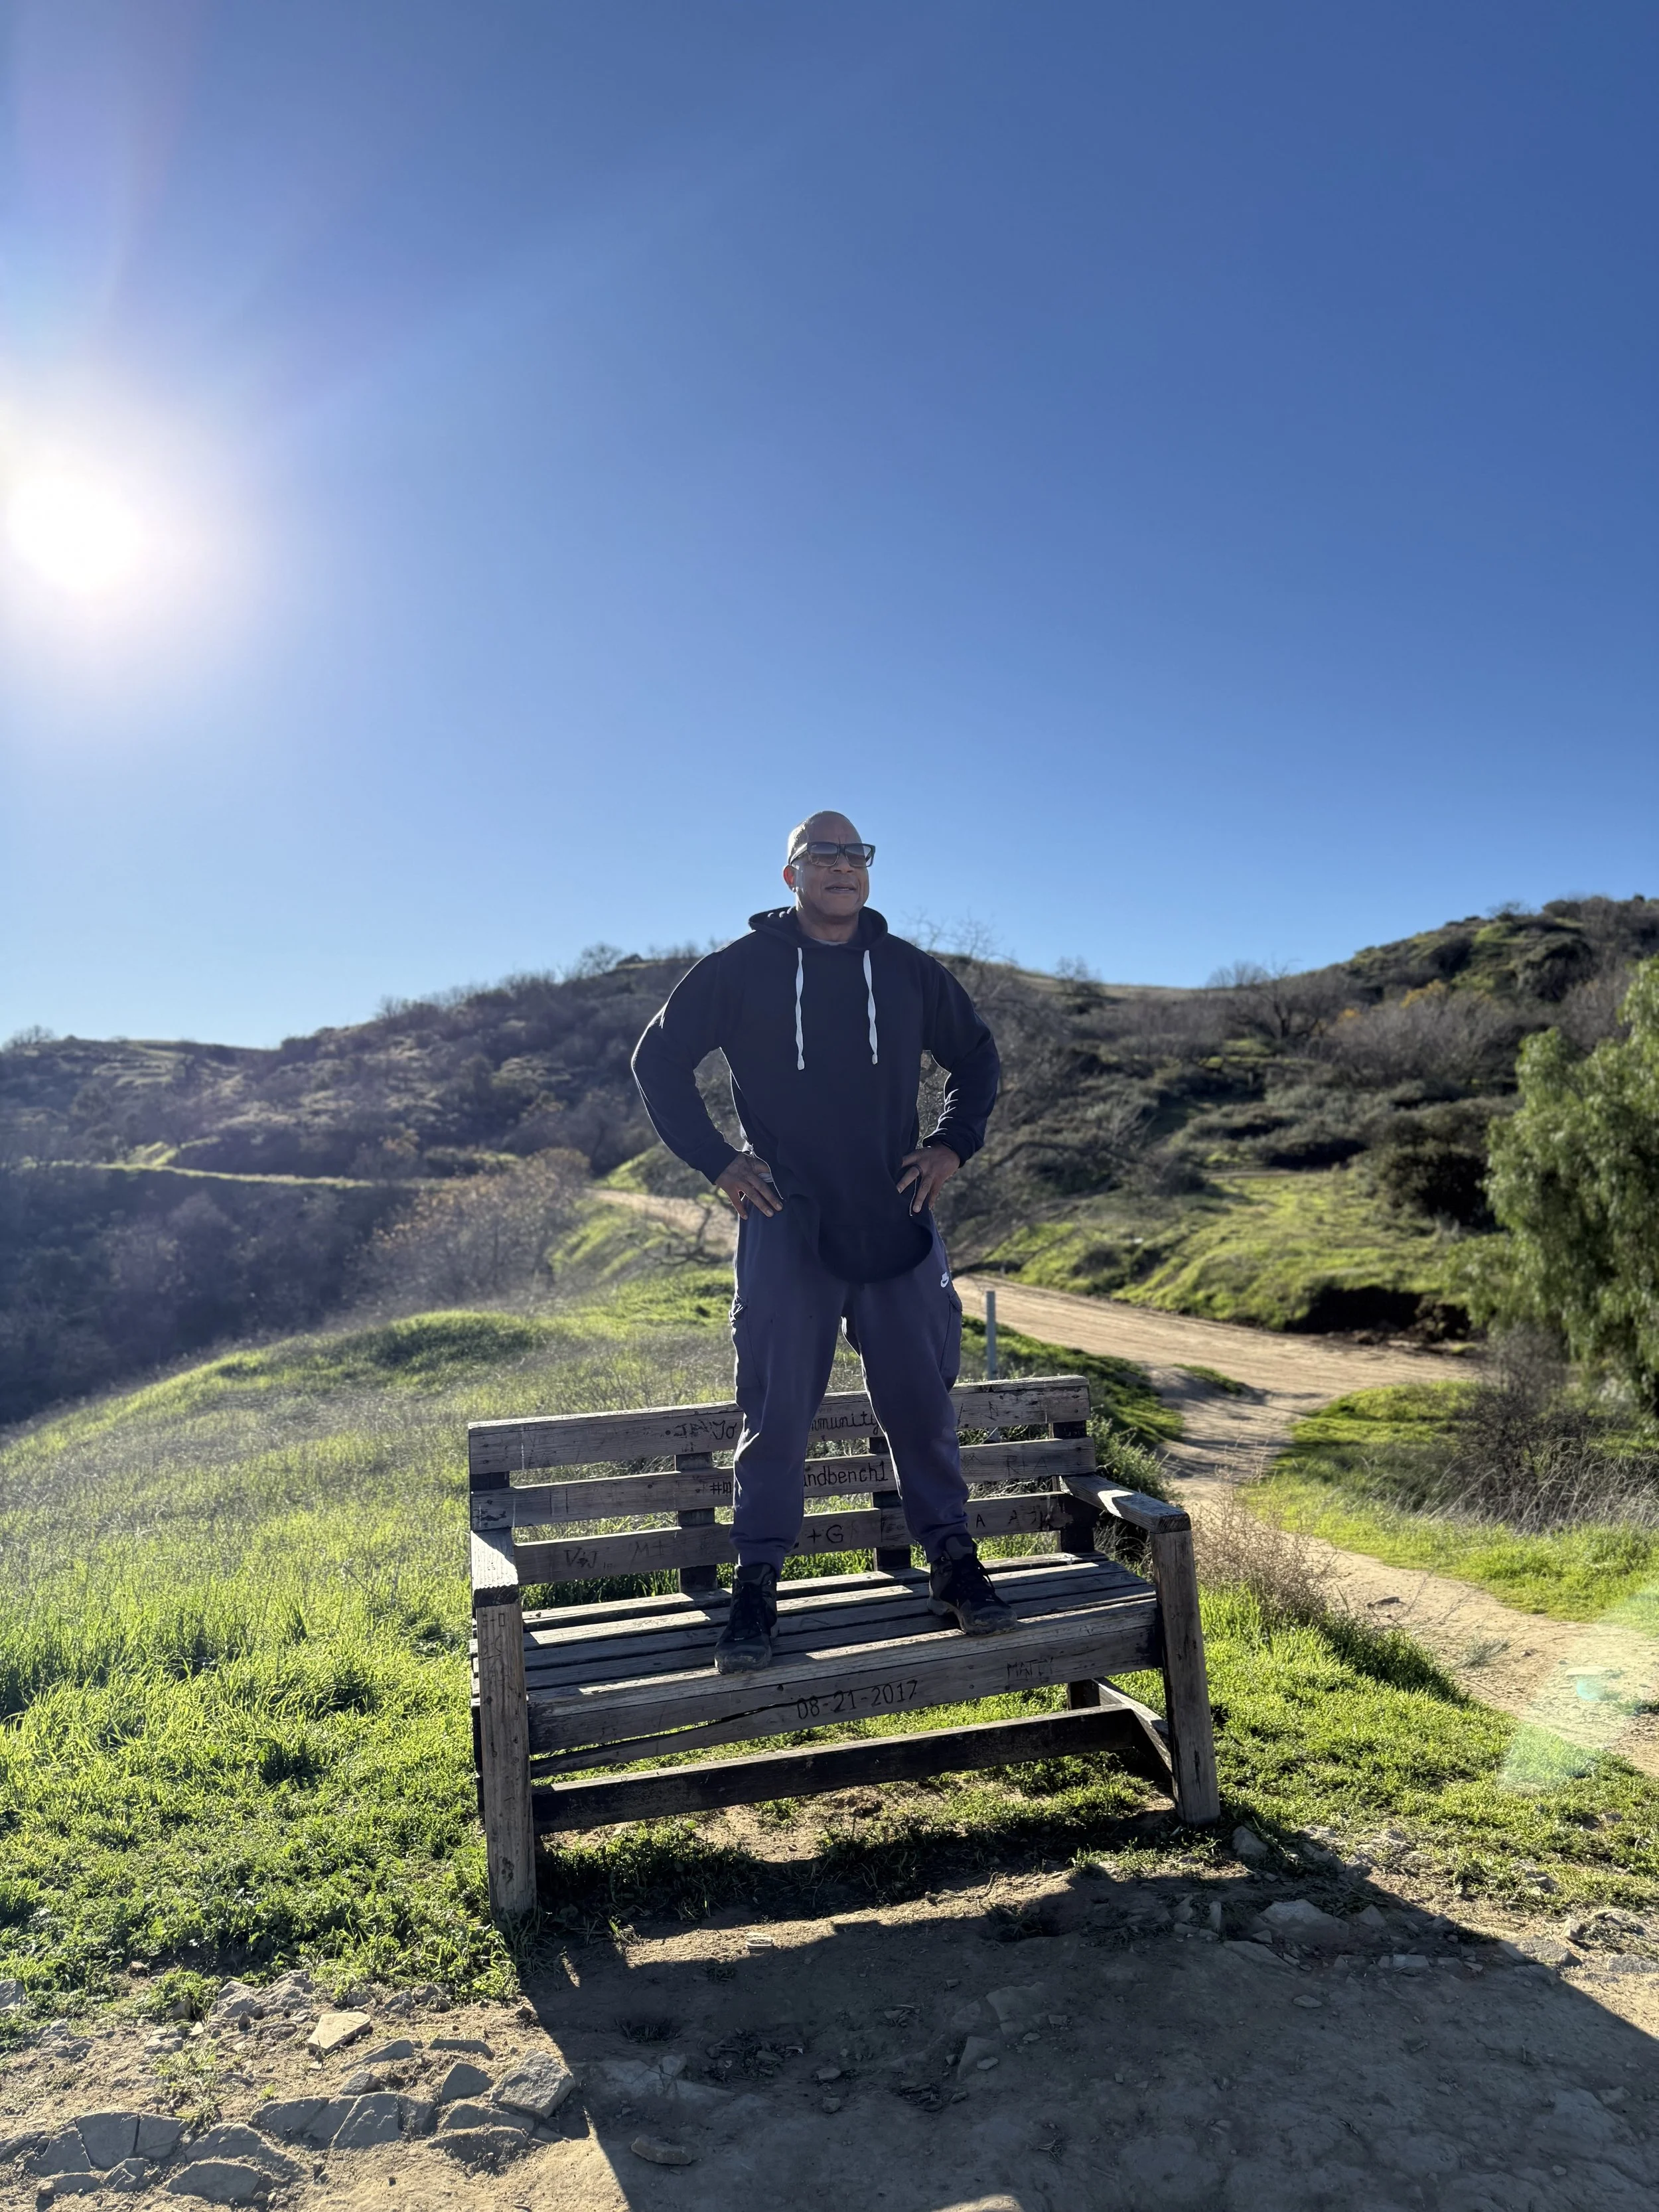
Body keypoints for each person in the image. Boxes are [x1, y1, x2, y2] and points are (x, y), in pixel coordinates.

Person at [631, 810, 1013, 1673]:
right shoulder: (739, 970)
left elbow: (977, 1057)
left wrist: (952, 1145)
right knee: (775, 1416)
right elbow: (658, 1060)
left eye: (856, 854)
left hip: (896, 1217)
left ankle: (953, 1564)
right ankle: (756, 1586)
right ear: (791, 874)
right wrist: (719, 1161)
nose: (844, 866)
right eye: (824, 855)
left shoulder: (908, 971)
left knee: (922, 1405)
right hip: (786, 1221)